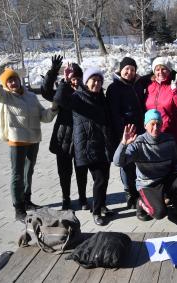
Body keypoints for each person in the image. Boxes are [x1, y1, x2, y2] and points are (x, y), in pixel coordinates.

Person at [0, 55, 57, 222]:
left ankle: (27, 201)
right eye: (9, 81)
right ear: (6, 84)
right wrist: (0, 67)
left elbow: (44, 117)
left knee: (28, 172)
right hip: (17, 141)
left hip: (33, 140)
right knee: (17, 174)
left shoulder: (31, 96)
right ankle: (19, 208)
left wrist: (54, 108)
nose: (13, 83)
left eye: (15, 79)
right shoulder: (4, 96)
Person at [55, 67, 113, 226]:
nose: (97, 83)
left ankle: (101, 205)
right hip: (88, 145)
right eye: (93, 80)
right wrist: (65, 82)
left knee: (103, 178)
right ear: (86, 82)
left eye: (99, 80)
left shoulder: (101, 97)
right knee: (100, 178)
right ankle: (96, 212)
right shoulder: (77, 97)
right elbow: (59, 99)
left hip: (103, 145)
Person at [113, 110, 177, 224]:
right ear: (145, 125)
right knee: (159, 213)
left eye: (158, 124)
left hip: (165, 180)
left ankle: (176, 209)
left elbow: (176, 162)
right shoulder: (138, 143)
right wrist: (123, 144)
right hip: (148, 185)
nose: (156, 127)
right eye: (152, 124)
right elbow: (118, 162)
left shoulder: (169, 139)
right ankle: (141, 202)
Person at [41, 56, 89, 211]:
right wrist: (54, 72)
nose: (75, 81)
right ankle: (66, 198)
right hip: (64, 137)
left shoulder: (86, 92)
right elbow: (46, 92)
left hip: (82, 138)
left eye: (78, 78)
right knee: (64, 172)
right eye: (72, 78)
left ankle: (83, 198)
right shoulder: (63, 91)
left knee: (81, 171)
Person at [106, 57, 151, 209]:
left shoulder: (137, 85)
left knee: (138, 163)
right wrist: (122, 135)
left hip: (140, 131)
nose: (129, 72)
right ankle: (129, 193)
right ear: (121, 69)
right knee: (126, 165)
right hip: (125, 133)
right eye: (127, 69)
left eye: (132, 69)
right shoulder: (114, 88)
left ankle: (139, 191)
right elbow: (114, 113)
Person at [145, 57, 177, 163]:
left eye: (164, 69)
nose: (160, 72)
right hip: (157, 133)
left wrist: (175, 90)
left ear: (169, 70)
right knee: (162, 167)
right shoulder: (150, 86)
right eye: (157, 69)